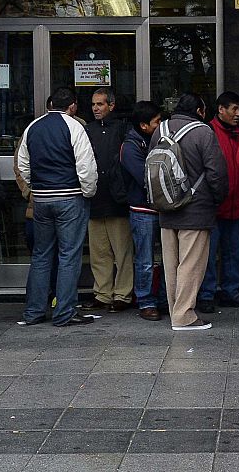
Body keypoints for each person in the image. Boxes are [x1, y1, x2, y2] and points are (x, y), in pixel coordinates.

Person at [18, 87, 99, 328]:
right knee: (68, 256)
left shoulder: (33, 127)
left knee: (41, 256)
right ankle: (64, 312)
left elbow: (22, 165)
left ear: (50, 103)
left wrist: (35, 188)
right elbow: (86, 166)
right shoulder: (75, 127)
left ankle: (33, 311)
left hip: (41, 200)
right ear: (72, 106)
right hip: (70, 198)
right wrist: (88, 192)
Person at [155, 93, 228, 331]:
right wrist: (216, 200)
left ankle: (175, 310)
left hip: (165, 207)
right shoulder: (203, 132)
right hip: (195, 209)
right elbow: (216, 173)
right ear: (199, 110)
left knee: (171, 264)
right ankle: (184, 315)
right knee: (190, 264)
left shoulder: (160, 130)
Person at [82, 88, 134, 313]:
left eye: (100, 104)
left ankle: (123, 294)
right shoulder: (87, 130)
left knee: (122, 251)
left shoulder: (122, 128)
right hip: (94, 197)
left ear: (111, 106)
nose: (95, 108)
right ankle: (102, 293)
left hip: (117, 199)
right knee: (99, 251)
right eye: (93, 104)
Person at [200, 91, 239, 313]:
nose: (238, 114)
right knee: (209, 255)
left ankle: (231, 291)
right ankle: (207, 294)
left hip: (236, 205)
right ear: (221, 109)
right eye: (233, 109)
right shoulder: (208, 132)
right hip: (214, 205)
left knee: (233, 252)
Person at [120, 100, 166, 321]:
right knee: (145, 259)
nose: (161, 125)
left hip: (162, 208)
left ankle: (166, 299)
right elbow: (145, 178)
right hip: (142, 209)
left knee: (168, 257)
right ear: (143, 125)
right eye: (157, 121)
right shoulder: (130, 147)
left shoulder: (159, 140)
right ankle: (146, 301)